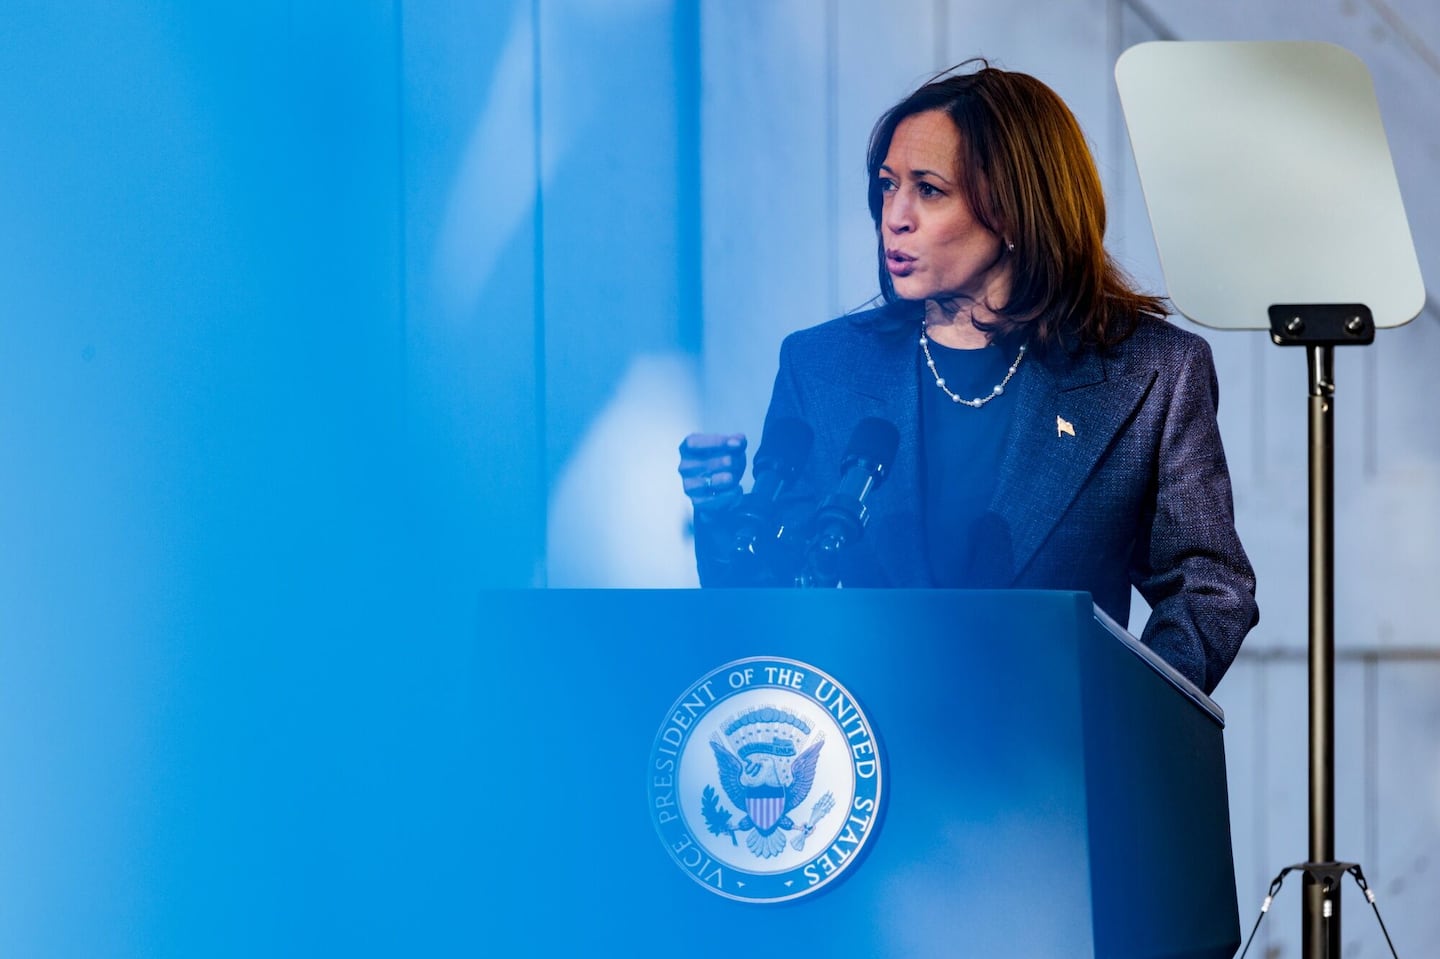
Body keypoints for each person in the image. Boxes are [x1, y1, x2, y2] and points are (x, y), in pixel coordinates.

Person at [677, 61, 1257, 695]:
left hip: (1052, 768)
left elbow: (1208, 585)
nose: (893, 217)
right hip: (865, 759)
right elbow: (776, 596)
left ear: (1011, 210)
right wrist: (722, 513)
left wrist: (1127, 717)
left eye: (928, 189)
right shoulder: (823, 367)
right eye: (887, 185)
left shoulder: (1150, 372)